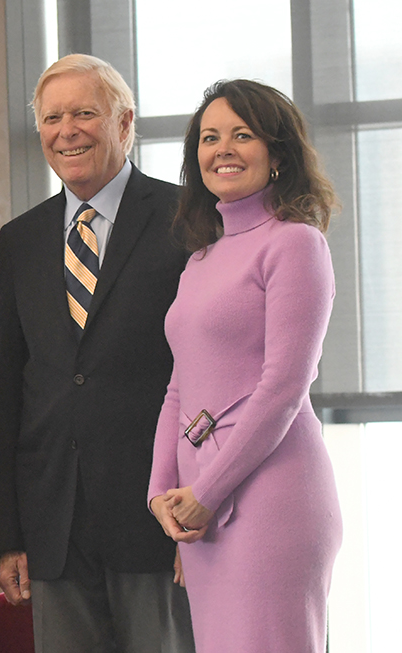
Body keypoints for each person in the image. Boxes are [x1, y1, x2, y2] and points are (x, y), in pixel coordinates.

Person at [0, 54, 195, 651]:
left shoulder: (186, 218)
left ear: (125, 122)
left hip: (156, 516)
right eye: (52, 118)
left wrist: (204, 502)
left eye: (85, 113)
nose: (66, 130)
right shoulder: (20, 238)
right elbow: (12, 385)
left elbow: (206, 373)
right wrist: (9, 534)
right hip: (53, 522)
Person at [147, 79, 342, 652]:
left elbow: (283, 385)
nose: (222, 148)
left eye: (242, 134)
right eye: (210, 137)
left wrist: (207, 491)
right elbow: (179, 388)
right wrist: (161, 492)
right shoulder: (201, 259)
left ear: (277, 154)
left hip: (272, 501)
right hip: (199, 513)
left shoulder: (296, 243)